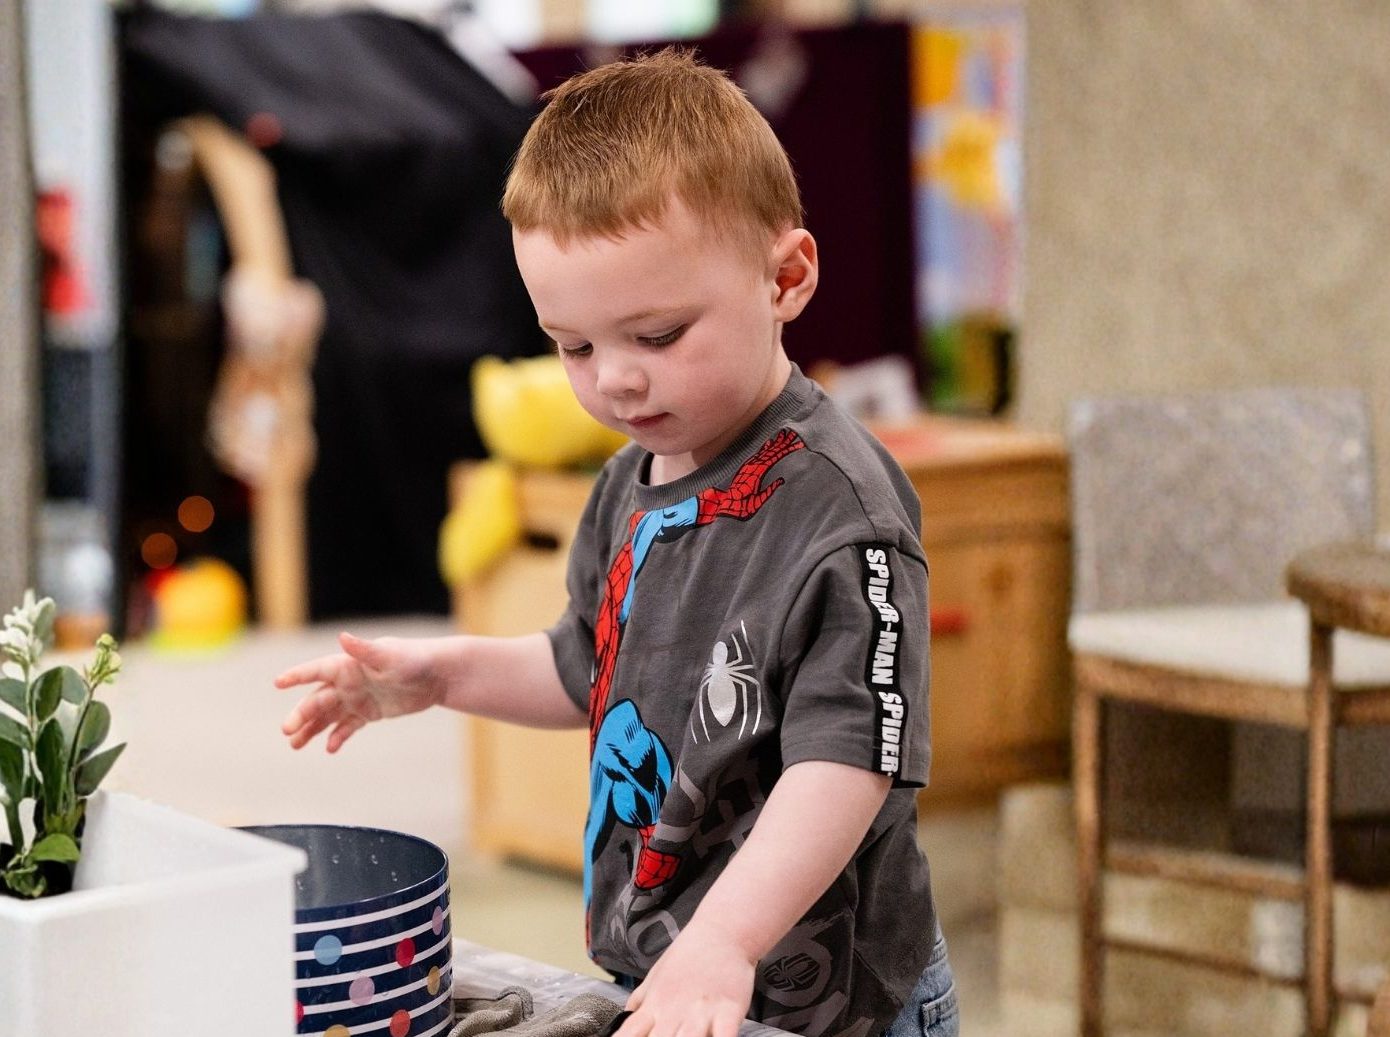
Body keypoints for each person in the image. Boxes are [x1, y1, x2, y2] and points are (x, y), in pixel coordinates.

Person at [277, 48, 955, 1037]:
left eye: (659, 333)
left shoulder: (840, 508)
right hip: (676, 969)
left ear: (786, 276)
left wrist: (722, 941)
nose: (616, 383)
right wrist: (439, 674)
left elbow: (846, 761)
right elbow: (585, 668)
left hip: (830, 998)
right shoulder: (629, 481)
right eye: (575, 345)